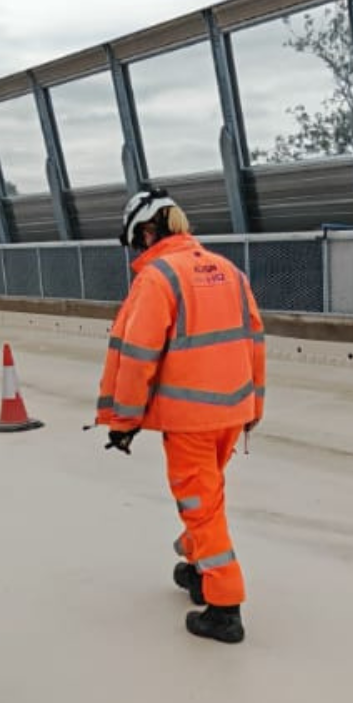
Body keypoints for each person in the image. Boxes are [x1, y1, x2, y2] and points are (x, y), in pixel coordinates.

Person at [97, 188, 266, 644]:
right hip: (232, 410)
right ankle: (197, 568)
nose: (139, 251)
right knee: (207, 496)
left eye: (138, 241)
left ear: (150, 231)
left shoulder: (158, 278)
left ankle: (224, 608)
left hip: (190, 419)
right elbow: (254, 338)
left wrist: (124, 420)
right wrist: (255, 406)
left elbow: (137, 356)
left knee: (199, 503)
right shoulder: (228, 271)